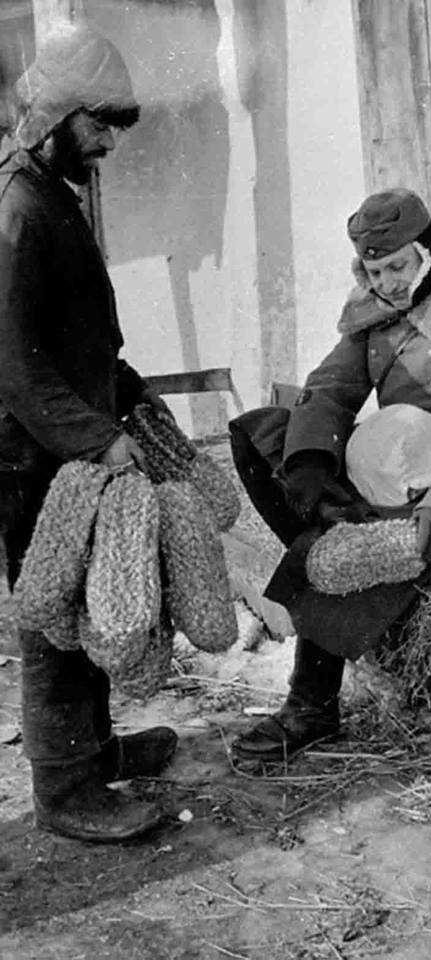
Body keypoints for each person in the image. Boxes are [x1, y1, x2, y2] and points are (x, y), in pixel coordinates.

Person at [229, 187, 431, 764]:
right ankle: (329, 517)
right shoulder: (377, 312)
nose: (389, 283)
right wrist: (311, 463)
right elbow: (332, 388)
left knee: (341, 558)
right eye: (375, 270)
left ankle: (311, 706)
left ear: (428, 251)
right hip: (392, 468)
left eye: (398, 266)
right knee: (264, 430)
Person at [0, 21, 177, 842]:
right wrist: (94, 436)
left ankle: (95, 751)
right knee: (55, 621)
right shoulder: (16, 212)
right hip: (33, 456)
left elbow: (78, 336)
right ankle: (66, 793)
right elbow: (15, 362)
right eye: (98, 124)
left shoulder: (52, 197)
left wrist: (128, 391)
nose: (107, 142)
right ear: (56, 116)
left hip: (68, 443)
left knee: (94, 604)